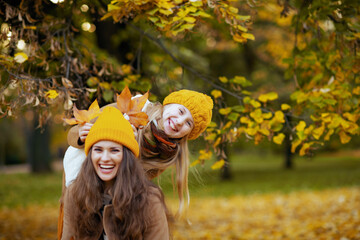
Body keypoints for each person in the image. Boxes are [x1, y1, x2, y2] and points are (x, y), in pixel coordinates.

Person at [65, 89, 213, 215]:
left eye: (189, 123)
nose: (180, 121)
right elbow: (72, 134)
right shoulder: (133, 108)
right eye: (181, 111)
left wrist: (131, 147)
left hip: (110, 197)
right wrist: (81, 135)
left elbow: (136, 181)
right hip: (80, 176)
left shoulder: (165, 154)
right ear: (167, 105)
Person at [61, 106, 171, 240]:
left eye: (114, 150)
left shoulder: (149, 199)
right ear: (90, 155)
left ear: (127, 157)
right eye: (98, 150)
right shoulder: (75, 193)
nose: (105, 158)